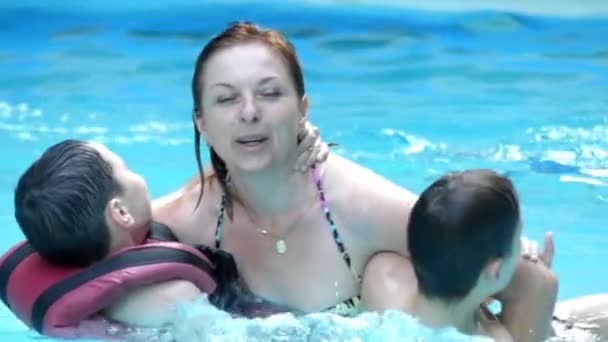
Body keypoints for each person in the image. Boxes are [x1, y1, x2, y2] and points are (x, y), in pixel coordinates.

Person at [152, 21, 558, 340]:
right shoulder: (186, 220)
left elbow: (527, 282)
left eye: (271, 94)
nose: (249, 112)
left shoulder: (362, 208)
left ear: (303, 109)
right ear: (201, 123)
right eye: (226, 99)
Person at [10, 134, 326, 329]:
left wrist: (283, 143)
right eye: (127, 169)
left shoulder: (91, 265)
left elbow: (213, 183)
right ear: (121, 212)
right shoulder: (172, 299)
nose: (138, 174)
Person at [361, 169, 607, 342]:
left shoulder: (382, 277)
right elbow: (535, 291)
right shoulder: (498, 338)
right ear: (496, 270)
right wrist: (535, 273)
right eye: (518, 243)